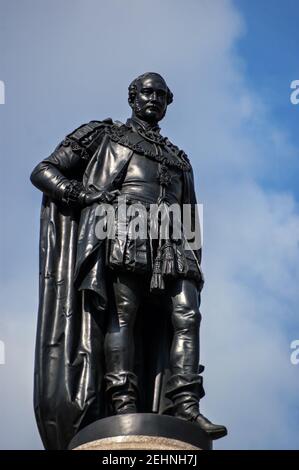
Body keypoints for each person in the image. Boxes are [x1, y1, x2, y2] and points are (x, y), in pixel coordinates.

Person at [31, 72, 227, 449]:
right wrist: (84, 195)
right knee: (124, 314)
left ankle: (186, 406)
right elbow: (44, 171)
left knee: (187, 315)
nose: (153, 98)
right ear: (132, 98)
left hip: (172, 236)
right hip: (124, 226)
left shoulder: (179, 158)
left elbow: (190, 216)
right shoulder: (103, 135)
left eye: (161, 94)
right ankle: (124, 404)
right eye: (146, 92)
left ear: (169, 102)